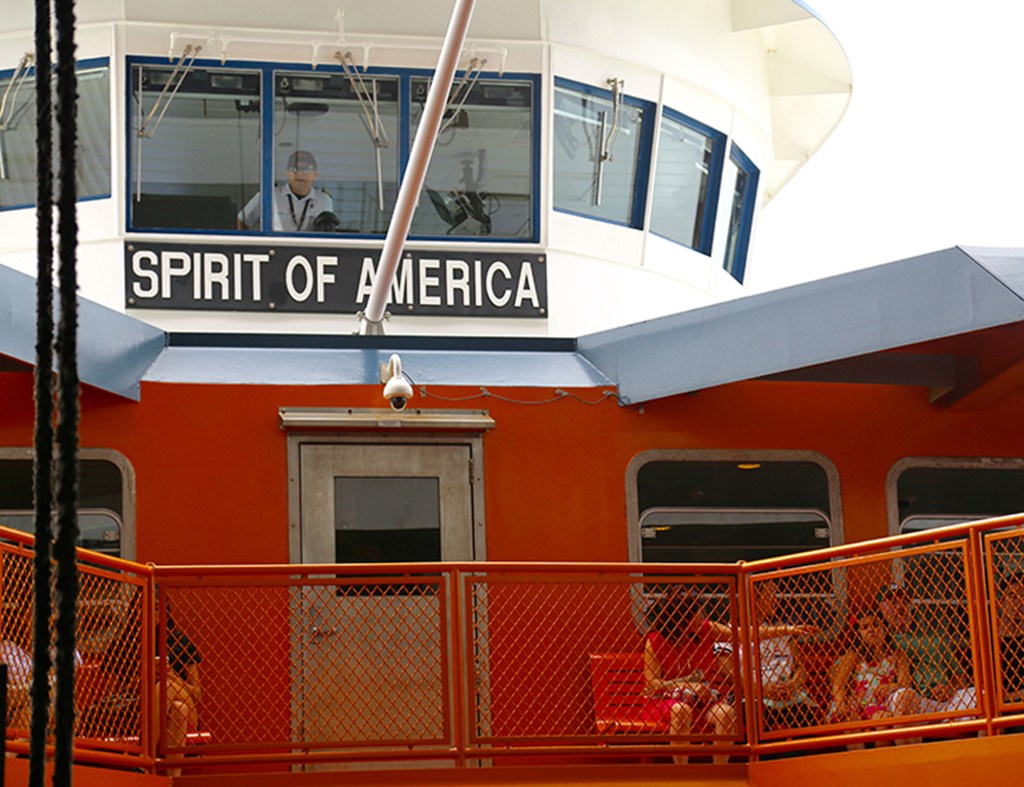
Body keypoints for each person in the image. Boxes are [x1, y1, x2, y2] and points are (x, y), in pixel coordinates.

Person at [641, 587, 738, 764]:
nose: (702, 620)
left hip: (700, 700)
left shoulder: (706, 630)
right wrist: (687, 683)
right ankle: (682, 773)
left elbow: (741, 634)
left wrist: (786, 630)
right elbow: (653, 685)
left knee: (727, 713)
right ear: (683, 618)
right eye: (697, 616)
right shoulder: (655, 641)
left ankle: (720, 773)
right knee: (681, 711)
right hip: (665, 702)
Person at [876, 583, 977, 719]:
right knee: (904, 698)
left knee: (982, 696)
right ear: (881, 609)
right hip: (914, 701)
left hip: (946, 700)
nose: (900, 607)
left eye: (905, 602)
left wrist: (950, 689)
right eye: (893, 602)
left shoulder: (934, 637)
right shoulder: (882, 642)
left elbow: (959, 675)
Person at [749, 579, 817, 731]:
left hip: (786, 692)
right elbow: (734, 676)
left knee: (804, 714)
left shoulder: (784, 632)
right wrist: (764, 690)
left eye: (775, 593)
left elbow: (801, 668)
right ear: (754, 598)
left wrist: (792, 684)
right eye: (769, 594)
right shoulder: (736, 632)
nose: (774, 599)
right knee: (757, 713)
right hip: (754, 694)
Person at [830, 610, 911, 730]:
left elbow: (905, 683)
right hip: (857, 705)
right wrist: (842, 705)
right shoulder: (854, 655)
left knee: (883, 720)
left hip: (883, 706)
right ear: (859, 634)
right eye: (865, 627)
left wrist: (892, 687)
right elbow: (838, 684)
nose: (871, 630)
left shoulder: (897, 655)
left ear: (885, 629)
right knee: (851, 721)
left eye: (876, 625)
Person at [236, 150, 333, 232]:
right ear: (287, 173)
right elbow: (242, 220)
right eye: (294, 168)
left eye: (306, 169)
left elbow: (328, 232)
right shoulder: (269, 195)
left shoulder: (324, 200)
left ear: (315, 174)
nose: (299, 173)